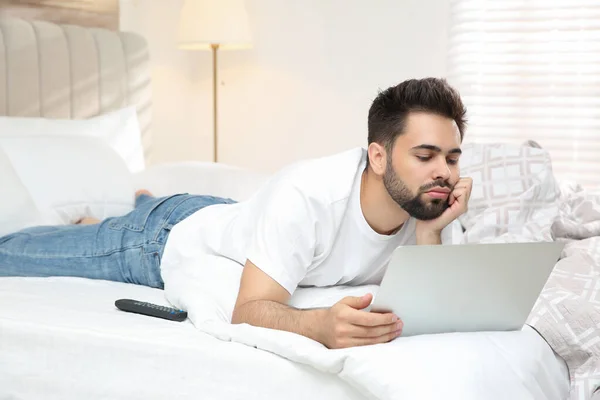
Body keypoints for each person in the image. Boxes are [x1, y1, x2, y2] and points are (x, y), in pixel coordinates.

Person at [0, 77, 472, 349]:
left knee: (229, 217)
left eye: (452, 158)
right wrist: (317, 325)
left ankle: (138, 200)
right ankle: (131, 215)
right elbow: (248, 310)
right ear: (378, 156)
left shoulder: (427, 206)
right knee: (12, 254)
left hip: (233, 218)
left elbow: (436, 308)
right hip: (161, 238)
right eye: (425, 155)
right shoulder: (308, 195)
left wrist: (431, 233)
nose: (443, 173)